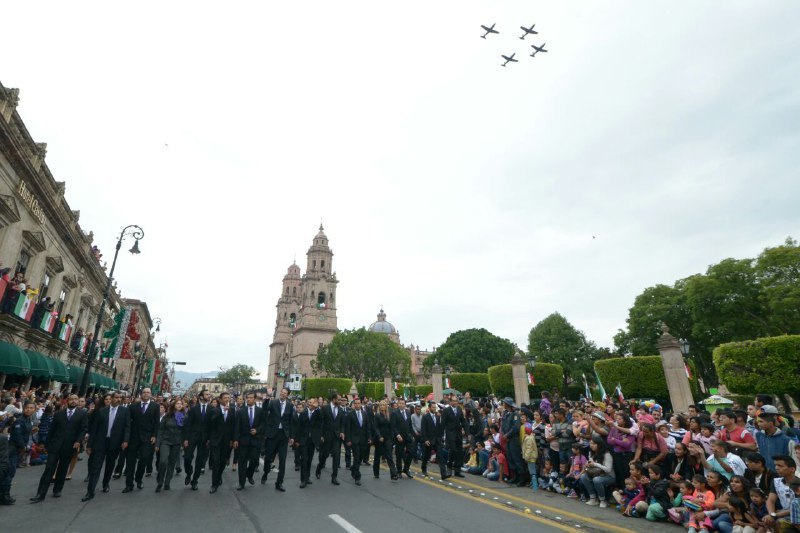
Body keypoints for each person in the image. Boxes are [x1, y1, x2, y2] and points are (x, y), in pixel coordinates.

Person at [31, 394, 88, 503]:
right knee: (49, 469)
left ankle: (57, 489)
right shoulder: (59, 414)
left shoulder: (82, 414)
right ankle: (40, 493)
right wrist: (46, 444)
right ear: (67, 401)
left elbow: (83, 429)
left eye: (76, 399)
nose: (74, 401)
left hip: (70, 446)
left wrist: (78, 441)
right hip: (55, 445)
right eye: (72, 399)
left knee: (63, 468)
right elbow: (52, 430)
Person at [84, 391, 130, 501]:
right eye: (116, 397)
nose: (118, 399)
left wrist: (125, 440)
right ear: (112, 398)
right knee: (96, 467)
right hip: (100, 442)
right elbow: (94, 428)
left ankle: (105, 484)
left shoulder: (124, 411)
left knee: (110, 466)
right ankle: (90, 491)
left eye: (120, 398)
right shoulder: (102, 411)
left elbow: (127, 427)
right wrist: (89, 445)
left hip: (114, 443)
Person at [123, 388, 159, 493]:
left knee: (144, 459)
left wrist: (154, 435)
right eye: (144, 392)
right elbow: (128, 424)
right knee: (130, 461)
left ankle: (138, 478)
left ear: (151, 394)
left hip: (147, 438)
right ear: (141, 394)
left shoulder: (155, 406)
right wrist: (126, 438)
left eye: (148, 392)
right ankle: (129, 484)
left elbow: (157, 422)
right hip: (133, 437)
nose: (146, 394)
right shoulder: (133, 406)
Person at [0, 400, 35, 505]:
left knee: (10, 472)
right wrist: (23, 447)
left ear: (34, 409)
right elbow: (17, 435)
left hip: (18, 449)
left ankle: (4, 494)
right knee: (9, 472)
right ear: (23, 408)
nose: (28, 410)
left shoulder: (28, 420)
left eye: (31, 408)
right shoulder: (20, 420)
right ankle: (4, 495)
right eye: (27, 408)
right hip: (12, 449)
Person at [262, 387, 294, 492]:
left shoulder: (290, 405)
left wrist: (291, 436)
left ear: (288, 395)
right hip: (272, 434)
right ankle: (266, 472)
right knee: (268, 458)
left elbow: (290, 422)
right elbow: (265, 409)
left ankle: (279, 483)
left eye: (285, 393)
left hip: (283, 435)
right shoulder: (273, 402)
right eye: (282, 392)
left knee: (283, 459)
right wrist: (267, 398)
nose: (283, 394)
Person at [182, 390, 213, 490]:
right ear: (201, 397)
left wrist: (210, 439)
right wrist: (186, 438)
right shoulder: (194, 409)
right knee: (187, 457)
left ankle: (195, 480)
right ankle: (188, 472)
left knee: (200, 461)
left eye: (209, 394)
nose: (209, 396)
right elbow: (188, 424)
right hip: (192, 436)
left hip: (205, 439)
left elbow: (213, 426)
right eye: (206, 394)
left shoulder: (211, 409)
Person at [155, 399, 184, 492]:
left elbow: (186, 431)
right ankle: (160, 481)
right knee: (163, 461)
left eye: (181, 404)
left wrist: (184, 442)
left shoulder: (184, 416)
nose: (180, 405)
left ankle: (167, 482)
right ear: (173, 405)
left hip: (176, 442)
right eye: (178, 403)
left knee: (172, 463)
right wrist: (157, 443)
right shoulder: (167, 416)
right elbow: (160, 430)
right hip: (165, 441)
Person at [316, 393, 345, 484]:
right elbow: (320, 423)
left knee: (336, 457)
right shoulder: (325, 408)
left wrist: (342, 432)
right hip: (326, 436)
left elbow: (342, 424)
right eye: (339, 399)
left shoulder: (341, 410)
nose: (340, 401)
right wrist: (320, 435)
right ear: (333, 399)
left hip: (336, 437)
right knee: (324, 455)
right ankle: (319, 468)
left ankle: (334, 477)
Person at [208, 392, 235, 494]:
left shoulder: (232, 410)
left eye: (228, 398)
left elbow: (233, 426)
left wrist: (233, 439)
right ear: (220, 399)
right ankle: (214, 484)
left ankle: (219, 476)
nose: (227, 399)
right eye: (225, 398)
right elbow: (212, 422)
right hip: (216, 440)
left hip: (226, 441)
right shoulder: (215, 410)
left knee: (223, 462)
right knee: (216, 461)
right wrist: (222, 412)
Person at [294, 396, 322, 488]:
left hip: (312, 440)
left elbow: (321, 419)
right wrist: (297, 440)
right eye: (309, 402)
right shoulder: (303, 413)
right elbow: (298, 428)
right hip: (303, 440)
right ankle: (303, 480)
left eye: (312, 403)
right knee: (304, 460)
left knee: (309, 460)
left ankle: (307, 477)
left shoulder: (318, 413)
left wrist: (317, 407)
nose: (310, 404)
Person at [580, 435, 615, 508]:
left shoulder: (606, 454)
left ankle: (602, 500)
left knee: (597, 480)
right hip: (596, 474)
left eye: (593, 444)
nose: (591, 445)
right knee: (583, 476)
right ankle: (593, 498)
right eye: (590, 443)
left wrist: (595, 464)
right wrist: (588, 465)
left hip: (609, 476)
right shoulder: (592, 453)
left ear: (599, 444)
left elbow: (608, 469)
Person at [765, 455, 797, 532]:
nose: (776, 468)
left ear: (792, 469)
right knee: (767, 521)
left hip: (796, 515)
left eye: (780, 466)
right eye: (775, 465)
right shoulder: (776, 482)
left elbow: (797, 508)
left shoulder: (798, 484)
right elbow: (771, 500)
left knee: (779, 523)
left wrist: (774, 515)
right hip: (783, 514)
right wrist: (771, 514)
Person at [344, 397, 370, 486]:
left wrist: (369, 438)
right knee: (356, 457)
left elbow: (367, 427)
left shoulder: (365, 414)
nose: (358, 405)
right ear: (354, 405)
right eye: (356, 403)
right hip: (354, 440)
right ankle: (357, 477)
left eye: (359, 403)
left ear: (361, 404)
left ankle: (353, 468)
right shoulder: (350, 414)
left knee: (361, 457)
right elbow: (348, 428)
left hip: (363, 440)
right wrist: (348, 440)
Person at [371, 400, 398, 481]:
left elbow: (392, 427)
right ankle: (376, 473)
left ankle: (393, 474)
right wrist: (379, 436)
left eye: (383, 405)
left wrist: (393, 436)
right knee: (377, 456)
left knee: (389, 456)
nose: (382, 406)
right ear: (379, 406)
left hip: (388, 438)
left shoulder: (390, 415)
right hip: (379, 438)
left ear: (386, 406)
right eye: (381, 405)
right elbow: (375, 427)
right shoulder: (377, 415)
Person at [420, 402, 448, 480]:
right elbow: (423, 429)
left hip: (437, 440)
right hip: (429, 440)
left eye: (435, 407)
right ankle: (423, 468)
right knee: (426, 455)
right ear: (429, 408)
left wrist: (441, 437)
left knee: (440, 456)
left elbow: (440, 428)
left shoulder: (438, 417)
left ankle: (443, 474)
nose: (434, 409)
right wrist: (425, 439)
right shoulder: (425, 417)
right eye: (433, 407)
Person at [389, 398, 414, 479]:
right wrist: (397, 435)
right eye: (399, 403)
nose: (401, 405)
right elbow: (393, 426)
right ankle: (399, 471)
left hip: (408, 436)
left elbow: (410, 425)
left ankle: (406, 469)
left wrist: (412, 435)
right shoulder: (394, 413)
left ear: (405, 404)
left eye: (403, 403)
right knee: (399, 454)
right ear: (398, 404)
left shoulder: (408, 412)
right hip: (399, 437)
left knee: (411, 452)